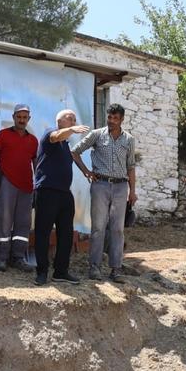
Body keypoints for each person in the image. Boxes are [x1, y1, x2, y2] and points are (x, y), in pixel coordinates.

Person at [71, 103, 137, 283]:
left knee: (117, 229)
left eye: (116, 118)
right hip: (100, 184)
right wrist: (86, 171)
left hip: (121, 187)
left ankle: (116, 269)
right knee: (98, 227)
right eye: (109, 117)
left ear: (122, 119)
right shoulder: (97, 135)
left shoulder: (129, 140)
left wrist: (133, 191)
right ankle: (94, 267)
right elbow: (75, 152)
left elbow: (131, 166)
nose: (112, 121)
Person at [33, 109, 89, 286]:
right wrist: (73, 130)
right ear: (59, 121)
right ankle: (42, 272)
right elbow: (56, 136)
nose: (73, 121)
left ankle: (61, 271)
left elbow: (74, 156)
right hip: (47, 191)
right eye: (69, 119)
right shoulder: (50, 134)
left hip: (65, 193)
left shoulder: (66, 145)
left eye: (75, 119)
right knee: (43, 232)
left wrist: (86, 171)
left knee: (66, 234)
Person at [0, 104, 38, 272]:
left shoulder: (33, 140)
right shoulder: (3, 135)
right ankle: (1, 258)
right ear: (14, 117)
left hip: (26, 185)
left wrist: (37, 182)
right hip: (7, 182)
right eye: (19, 117)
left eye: (25, 117)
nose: (22, 120)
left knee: (23, 223)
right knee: (4, 219)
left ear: (28, 119)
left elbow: (35, 162)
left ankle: (18, 257)